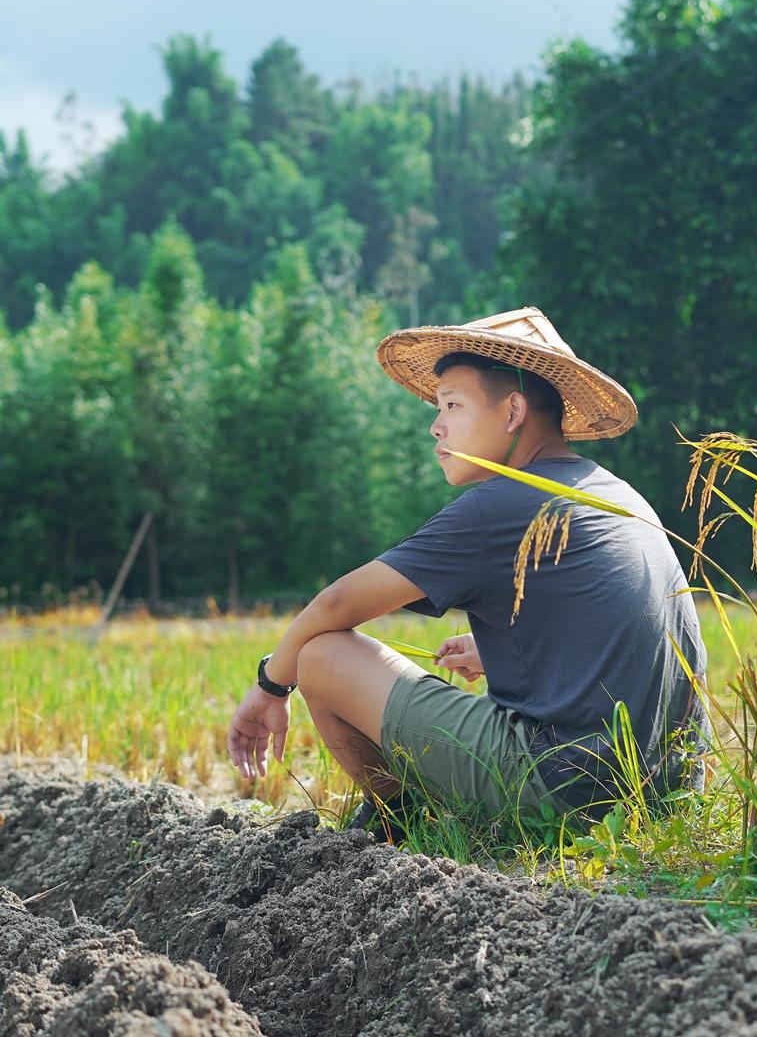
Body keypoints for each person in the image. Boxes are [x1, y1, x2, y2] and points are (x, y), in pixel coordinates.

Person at [226, 307, 708, 840]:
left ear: (512, 412)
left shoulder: (503, 502)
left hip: (564, 791)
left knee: (321, 655)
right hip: (665, 793)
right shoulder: (613, 492)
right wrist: (514, 651)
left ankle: (402, 824)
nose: (436, 425)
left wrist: (272, 684)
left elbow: (334, 607)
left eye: (452, 404)